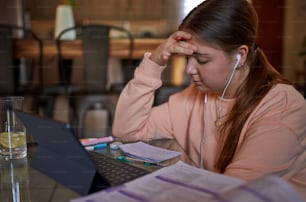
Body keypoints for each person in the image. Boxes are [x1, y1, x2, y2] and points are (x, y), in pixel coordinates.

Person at [112, 0, 306, 197]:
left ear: (240, 56)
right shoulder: (198, 96)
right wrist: (155, 61)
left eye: (202, 60)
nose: (189, 69)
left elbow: (234, 194)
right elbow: (128, 131)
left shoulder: (284, 107)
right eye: (187, 57)